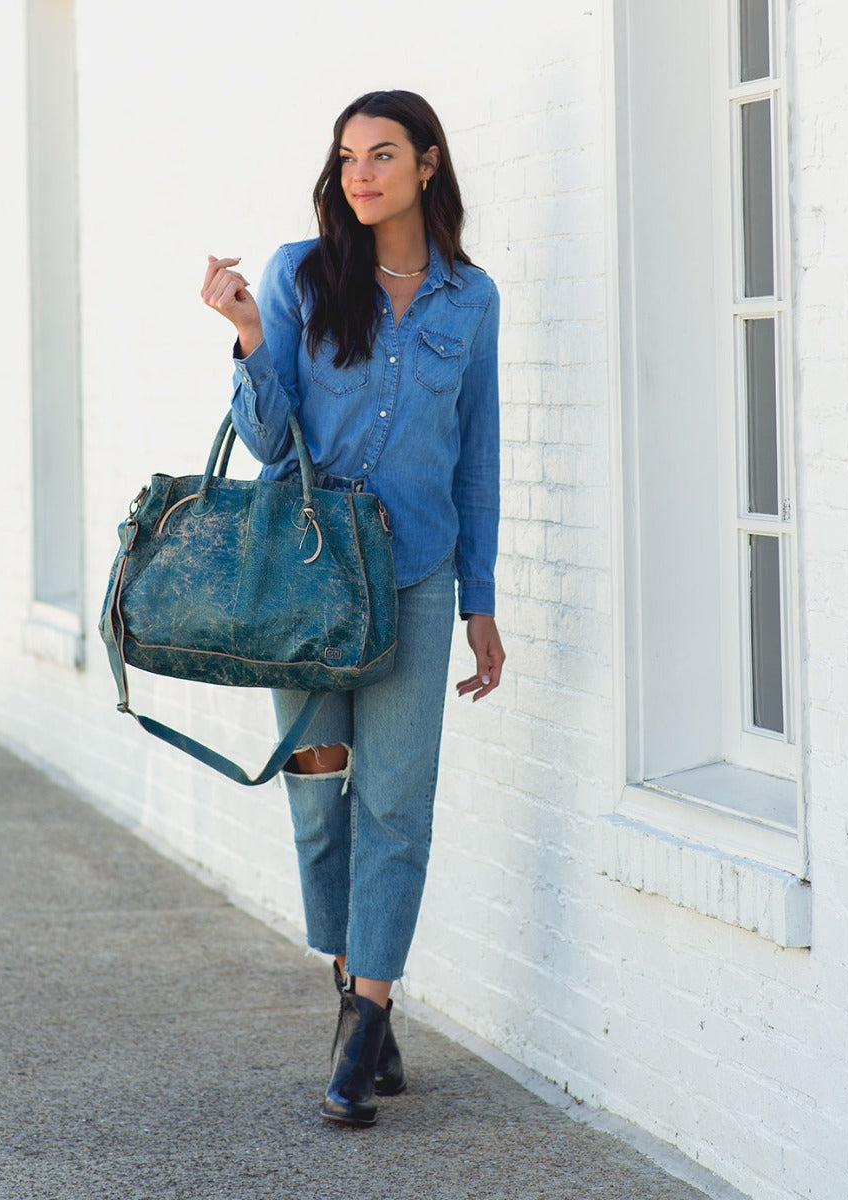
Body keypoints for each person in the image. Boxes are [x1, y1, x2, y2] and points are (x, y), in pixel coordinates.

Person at [200, 89, 504, 1126]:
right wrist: (246, 334)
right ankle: (354, 986)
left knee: (395, 807)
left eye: (381, 155)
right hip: (311, 584)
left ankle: (364, 1024)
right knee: (316, 798)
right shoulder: (298, 273)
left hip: (416, 577)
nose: (358, 174)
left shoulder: (471, 300)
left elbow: (478, 462)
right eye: (344, 158)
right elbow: (270, 443)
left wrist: (482, 599)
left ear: (427, 164)